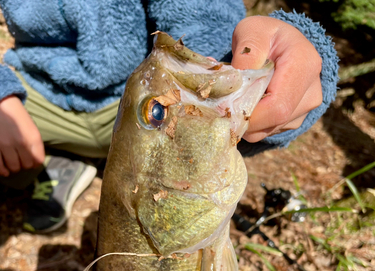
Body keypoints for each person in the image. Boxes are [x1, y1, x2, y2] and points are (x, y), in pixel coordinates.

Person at [0, 0, 339, 233]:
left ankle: (74, 157)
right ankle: (69, 157)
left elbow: (203, 18)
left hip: (137, 103)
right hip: (38, 98)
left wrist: (280, 69)